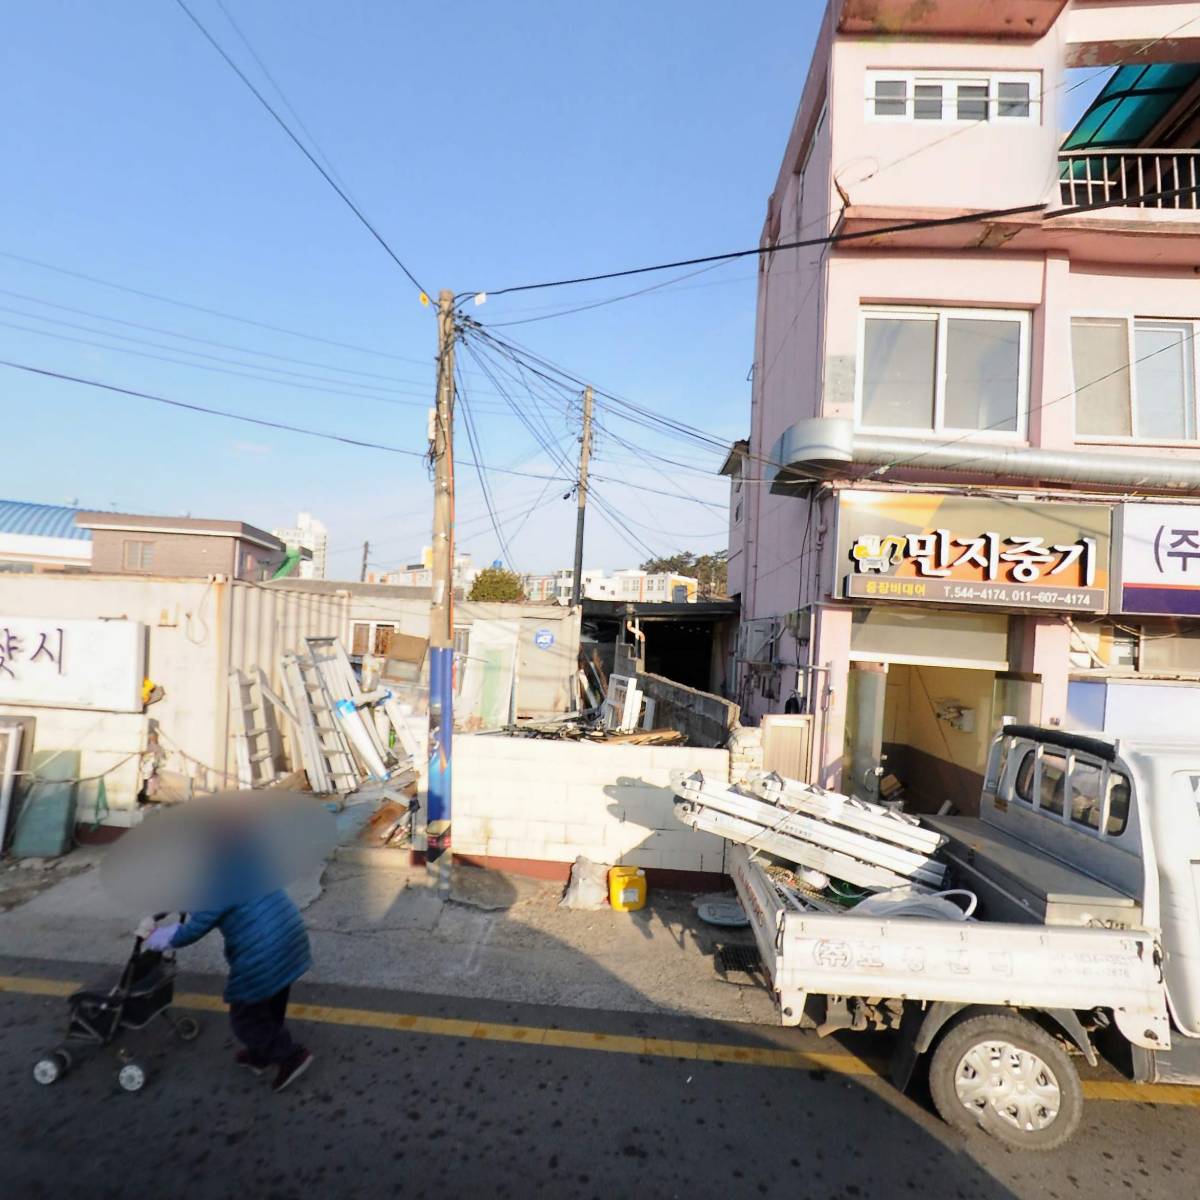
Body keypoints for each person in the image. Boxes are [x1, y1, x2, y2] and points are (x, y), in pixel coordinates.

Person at [146, 886, 314, 1093]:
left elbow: (193, 929)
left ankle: (290, 1057)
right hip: (289, 937)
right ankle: (259, 1056)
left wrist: (155, 936)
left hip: (262, 953)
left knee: (245, 1018)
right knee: (270, 1003)